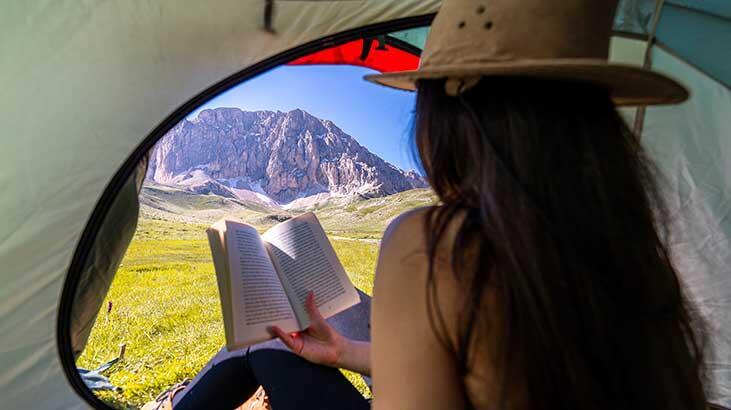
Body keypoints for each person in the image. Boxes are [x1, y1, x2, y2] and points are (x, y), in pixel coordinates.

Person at [175, 0, 709, 409]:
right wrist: (346, 354)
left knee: (262, 349)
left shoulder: (436, 242)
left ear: (453, 116)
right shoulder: (636, 253)